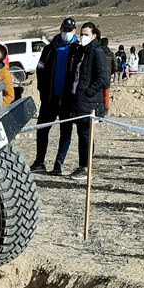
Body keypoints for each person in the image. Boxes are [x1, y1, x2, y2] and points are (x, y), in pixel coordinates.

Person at [52, 22, 108, 181]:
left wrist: (88, 92)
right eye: (81, 34)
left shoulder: (97, 52)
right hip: (75, 100)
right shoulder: (79, 51)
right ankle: (80, 165)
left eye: (86, 34)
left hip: (88, 102)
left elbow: (103, 78)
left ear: (94, 35)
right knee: (79, 133)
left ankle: (85, 166)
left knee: (85, 135)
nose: (82, 37)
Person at [31, 17, 80, 173]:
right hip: (50, 98)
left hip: (67, 100)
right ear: (60, 29)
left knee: (65, 131)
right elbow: (40, 69)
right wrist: (42, 90)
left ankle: (59, 163)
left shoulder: (77, 49)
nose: (66, 32)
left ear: (74, 31)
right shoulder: (50, 48)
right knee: (42, 129)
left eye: (70, 30)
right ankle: (39, 161)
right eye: (64, 29)